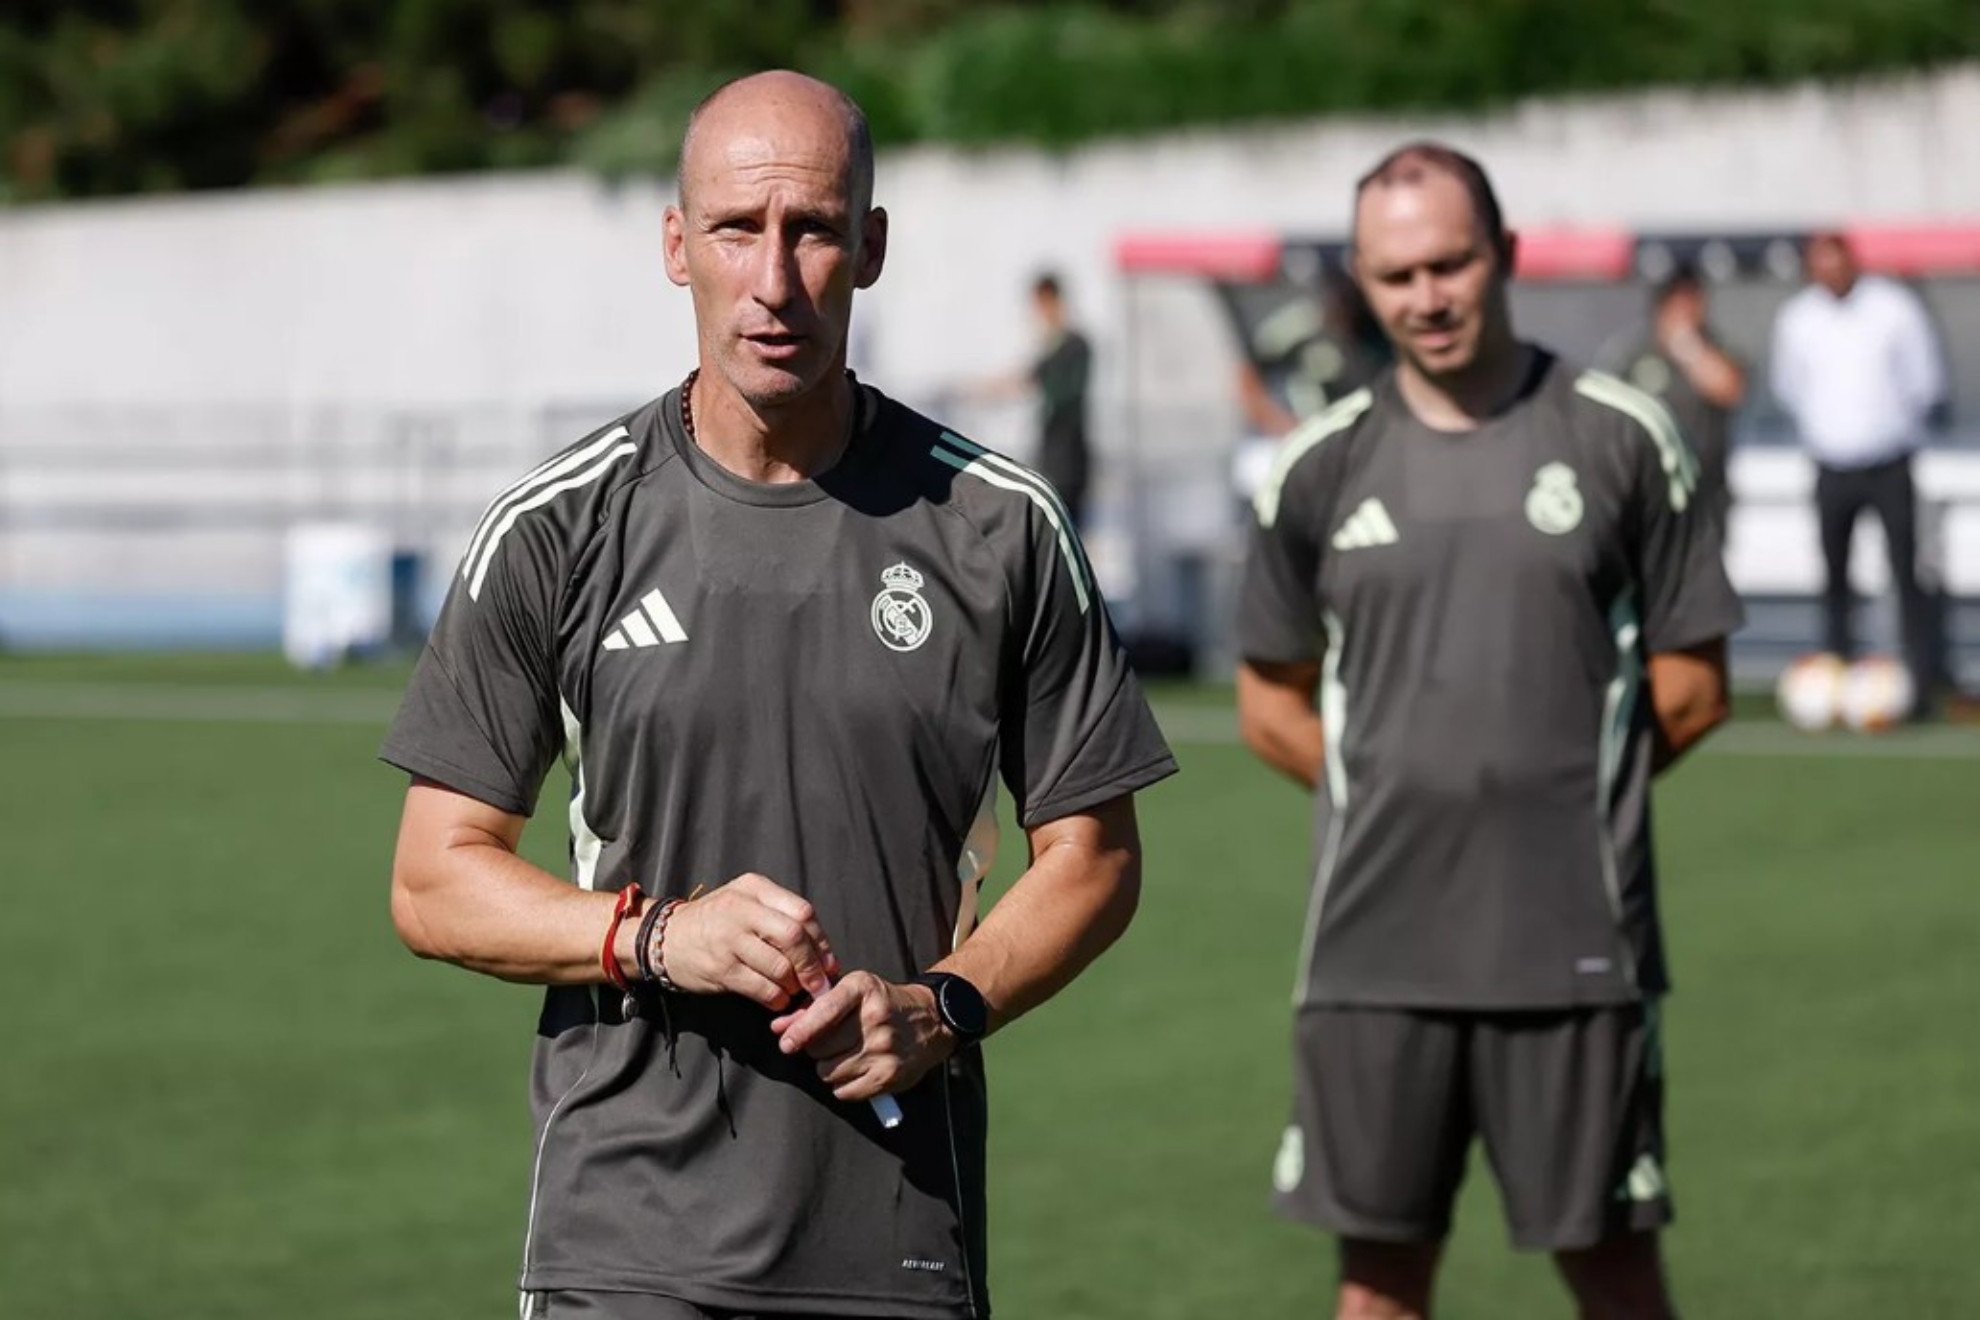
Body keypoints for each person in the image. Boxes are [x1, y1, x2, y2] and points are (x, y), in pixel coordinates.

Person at [380, 71, 1176, 1320]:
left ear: (870, 245)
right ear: (675, 245)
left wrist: (944, 1005)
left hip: (899, 1230)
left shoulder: (1000, 527)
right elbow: (433, 878)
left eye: (811, 228)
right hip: (622, 1238)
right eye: (737, 230)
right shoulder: (559, 527)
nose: (774, 278)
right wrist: (657, 936)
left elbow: (1095, 857)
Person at [1235, 141, 1743, 1320]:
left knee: (1615, 1275)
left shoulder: (1622, 438)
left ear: (1503, 255)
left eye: (1452, 263)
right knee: (1378, 1286)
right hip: (1372, 951)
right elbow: (1268, 703)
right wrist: (1399, 787)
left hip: (1575, 944)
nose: (1428, 296)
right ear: (1362, 282)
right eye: (1397, 273)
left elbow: (1693, 687)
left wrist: (1561, 792)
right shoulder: (1316, 468)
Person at [1770, 230, 1949, 712]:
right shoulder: (1799, 318)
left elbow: (1924, 379)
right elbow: (1789, 386)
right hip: (1831, 462)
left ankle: (1919, 680)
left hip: (1888, 459)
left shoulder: (1893, 308)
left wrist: (1892, 424)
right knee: (1833, 575)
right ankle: (1835, 675)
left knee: (1904, 570)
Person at [1601, 262, 1747, 531]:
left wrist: (1690, 349)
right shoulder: (1635, 354)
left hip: (1704, 493)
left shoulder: (1715, 348)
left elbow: (1731, 391)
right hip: (1647, 491)